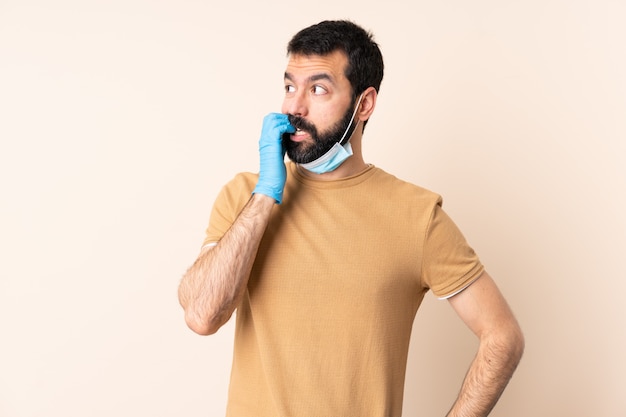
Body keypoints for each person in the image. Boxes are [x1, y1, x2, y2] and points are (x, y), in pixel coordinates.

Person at [178, 19, 524, 417]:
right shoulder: (244, 196)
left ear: (364, 104)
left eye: (318, 89)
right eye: (290, 86)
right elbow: (202, 315)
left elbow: (503, 337)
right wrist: (264, 196)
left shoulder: (417, 216)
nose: (294, 107)